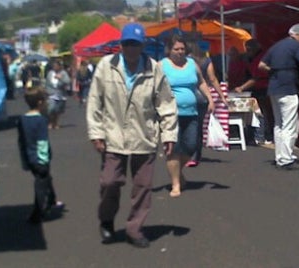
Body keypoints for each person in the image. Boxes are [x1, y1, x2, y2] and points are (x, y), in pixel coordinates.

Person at [86, 23, 178, 248]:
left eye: (135, 44)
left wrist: (169, 135)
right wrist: (96, 132)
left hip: (143, 135)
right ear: (121, 45)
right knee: (110, 182)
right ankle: (106, 220)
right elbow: (94, 101)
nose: (131, 49)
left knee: (143, 186)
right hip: (113, 134)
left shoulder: (154, 68)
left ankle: (134, 229)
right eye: (127, 44)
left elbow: (166, 103)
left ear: (142, 45)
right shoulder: (107, 66)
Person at [159, 35, 215, 197]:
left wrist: (210, 99)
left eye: (182, 49)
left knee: (191, 146)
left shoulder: (192, 64)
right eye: (176, 49)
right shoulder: (162, 65)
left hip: (191, 112)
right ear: (169, 50)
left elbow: (202, 82)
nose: (179, 52)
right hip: (170, 114)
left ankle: (177, 172)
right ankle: (176, 184)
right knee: (173, 149)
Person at [258, 23, 299, 170]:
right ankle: (286, 159)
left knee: (278, 124)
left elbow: (261, 65)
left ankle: (280, 156)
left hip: (274, 88)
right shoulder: (298, 46)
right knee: (289, 125)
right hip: (289, 87)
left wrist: (274, 71)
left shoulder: (276, 46)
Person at [17, 87, 65, 224]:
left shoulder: (22, 119)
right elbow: (42, 142)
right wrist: (44, 160)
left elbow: (21, 141)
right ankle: (38, 212)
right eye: (45, 101)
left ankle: (51, 200)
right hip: (40, 159)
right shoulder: (41, 120)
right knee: (41, 184)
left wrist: (25, 159)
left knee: (45, 180)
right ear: (39, 103)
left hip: (30, 157)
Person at [187, 43, 227, 167]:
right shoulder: (206, 61)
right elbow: (213, 79)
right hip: (202, 97)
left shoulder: (185, 61)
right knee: (198, 127)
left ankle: (187, 153)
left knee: (186, 125)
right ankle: (196, 155)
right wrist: (221, 96)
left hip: (188, 95)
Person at [235, 39, 273, 145]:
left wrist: (242, 87)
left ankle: (264, 136)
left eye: (249, 49)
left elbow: (256, 77)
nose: (247, 51)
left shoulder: (261, 58)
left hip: (264, 88)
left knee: (263, 112)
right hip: (256, 89)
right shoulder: (251, 58)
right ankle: (259, 135)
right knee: (259, 112)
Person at [45, 60, 70, 129]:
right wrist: (46, 91)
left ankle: (55, 123)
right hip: (51, 93)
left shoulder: (63, 73)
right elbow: (47, 83)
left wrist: (60, 78)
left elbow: (68, 81)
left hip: (61, 94)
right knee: (51, 109)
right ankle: (50, 122)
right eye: (53, 66)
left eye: (56, 66)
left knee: (57, 110)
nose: (55, 67)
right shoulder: (50, 73)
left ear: (59, 66)